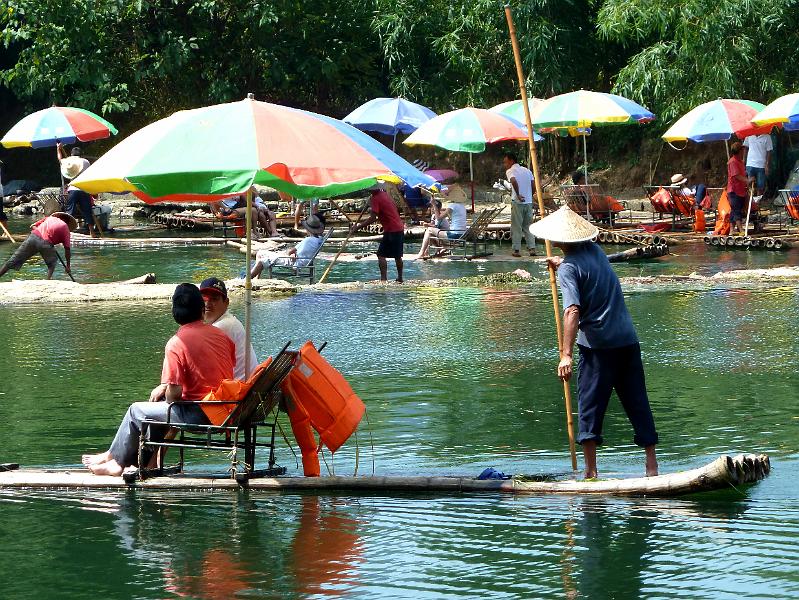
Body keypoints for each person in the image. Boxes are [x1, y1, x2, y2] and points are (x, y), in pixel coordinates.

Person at [531, 206, 659, 479]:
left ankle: (590, 472)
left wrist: (565, 354)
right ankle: (652, 467)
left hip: (598, 346)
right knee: (637, 400)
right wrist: (560, 263)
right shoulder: (597, 254)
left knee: (589, 406)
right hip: (627, 339)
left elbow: (572, 310)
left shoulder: (569, 269)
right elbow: (583, 269)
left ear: (559, 240)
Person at [81, 283, 235, 476]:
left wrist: (166, 391)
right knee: (156, 408)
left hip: (201, 414)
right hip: (225, 409)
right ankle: (133, 461)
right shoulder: (222, 336)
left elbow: (175, 395)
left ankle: (117, 462)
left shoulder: (176, 343)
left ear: (175, 312)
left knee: (136, 410)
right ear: (201, 309)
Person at [199, 277, 258, 381]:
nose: (207, 304)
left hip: (238, 390)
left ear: (226, 303)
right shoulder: (228, 322)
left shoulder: (223, 327)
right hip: (244, 386)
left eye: (214, 299)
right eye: (204, 299)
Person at [350, 185, 405, 282]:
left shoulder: (376, 198)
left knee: (381, 254)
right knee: (397, 255)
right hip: (398, 227)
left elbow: (373, 218)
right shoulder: (384, 194)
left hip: (391, 229)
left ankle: (383, 279)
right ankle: (400, 278)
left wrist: (358, 227)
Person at [0, 212, 77, 279]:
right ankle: (48, 280)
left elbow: (33, 226)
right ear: (67, 222)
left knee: (13, 260)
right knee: (52, 264)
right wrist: (68, 266)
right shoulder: (66, 229)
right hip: (46, 244)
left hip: (33, 237)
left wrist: (43, 232)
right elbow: (67, 249)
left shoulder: (49, 218)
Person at [250, 213, 327, 278]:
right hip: (299, 260)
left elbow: (290, 252)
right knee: (260, 253)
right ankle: (255, 280)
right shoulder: (319, 240)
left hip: (292, 262)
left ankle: (247, 279)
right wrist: (292, 253)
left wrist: (290, 253)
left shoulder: (308, 240)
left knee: (261, 260)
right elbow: (300, 252)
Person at [57, 143, 97, 237]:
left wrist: (58, 149)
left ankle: (66, 232)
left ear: (71, 154)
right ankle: (92, 232)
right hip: (83, 189)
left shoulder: (68, 162)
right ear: (81, 154)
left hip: (73, 189)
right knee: (87, 211)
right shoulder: (86, 162)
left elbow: (60, 159)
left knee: (70, 211)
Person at [503, 152, 537, 257]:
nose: (505, 164)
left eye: (506, 162)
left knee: (516, 226)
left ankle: (516, 250)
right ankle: (532, 249)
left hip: (517, 202)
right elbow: (533, 185)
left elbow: (513, 181)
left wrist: (518, 194)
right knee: (528, 226)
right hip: (528, 202)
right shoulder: (527, 171)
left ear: (511, 161)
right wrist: (529, 196)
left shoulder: (510, 171)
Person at [727, 142, 753, 235]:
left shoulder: (740, 161)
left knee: (735, 210)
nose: (743, 152)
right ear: (739, 151)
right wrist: (747, 180)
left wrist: (747, 180)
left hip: (741, 190)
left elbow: (742, 173)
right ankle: (741, 230)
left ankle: (731, 230)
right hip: (734, 190)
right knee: (736, 209)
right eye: (742, 150)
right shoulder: (732, 161)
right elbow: (736, 175)